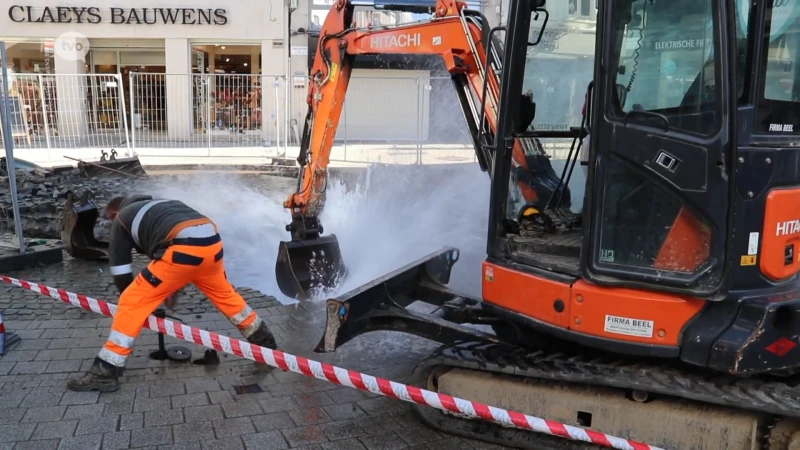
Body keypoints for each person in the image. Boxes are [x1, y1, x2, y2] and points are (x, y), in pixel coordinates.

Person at [66, 194, 278, 392]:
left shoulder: (123, 217)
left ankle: (105, 371)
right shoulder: (164, 206)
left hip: (184, 250)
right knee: (228, 298)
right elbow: (172, 257)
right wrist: (169, 287)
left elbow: (121, 270)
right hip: (212, 243)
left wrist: (135, 302)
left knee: (131, 301)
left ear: (115, 212)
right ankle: (266, 345)